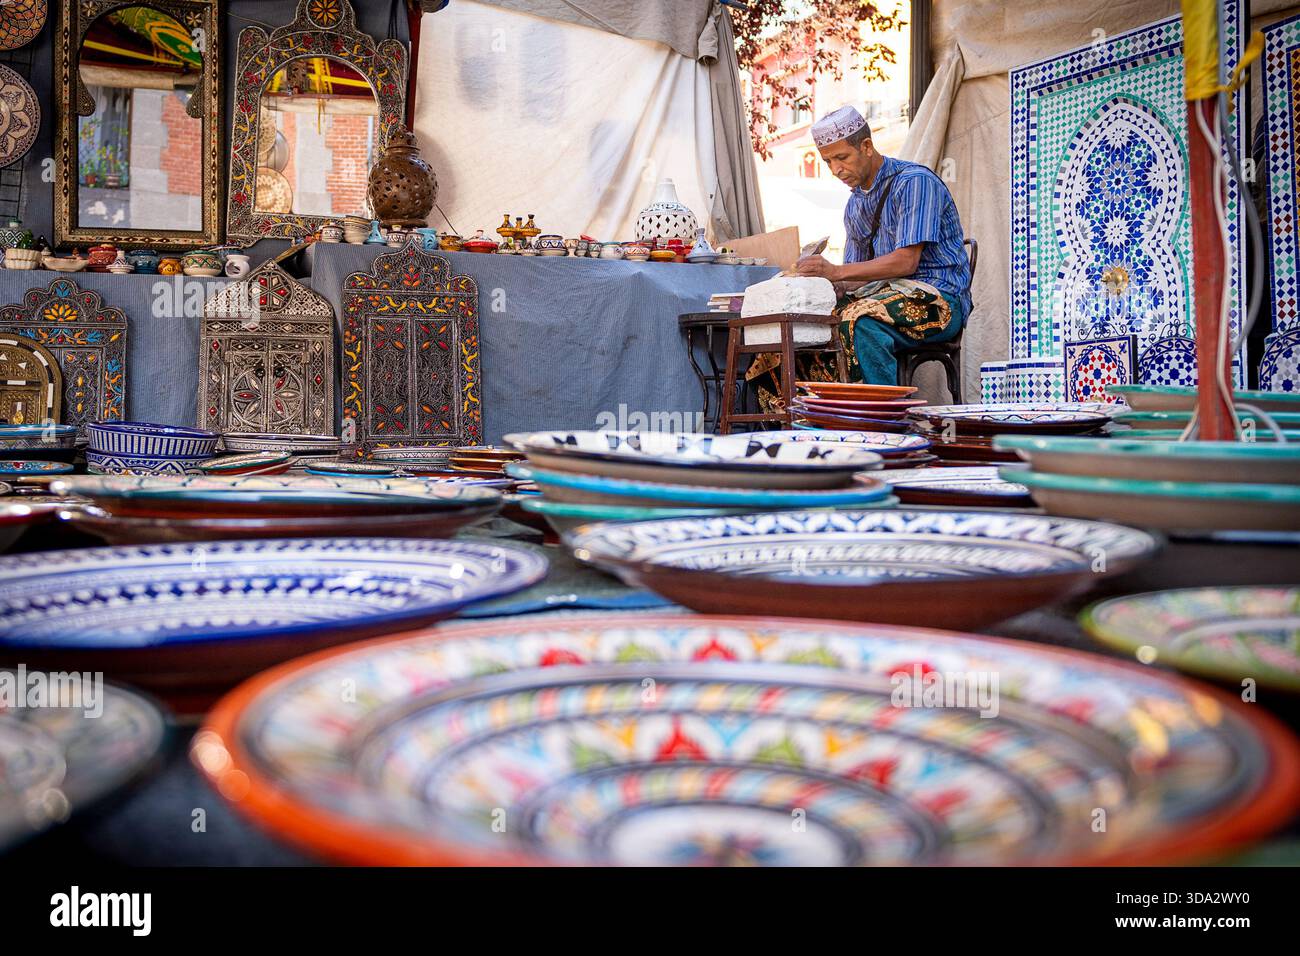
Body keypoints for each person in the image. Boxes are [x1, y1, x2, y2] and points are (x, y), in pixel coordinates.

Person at [795, 105, 972, 385]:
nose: (836, 169)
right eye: (828, 162)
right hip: (883, 295)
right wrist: (826, 283)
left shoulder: (915, 182)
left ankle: (879, 422)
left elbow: (906, 262)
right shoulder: (854, 205)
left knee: (858, 321)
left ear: (866, 146)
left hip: (939, 299)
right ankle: (822, 419)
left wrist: (838, 272)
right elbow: (856, 278)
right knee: (806, 324)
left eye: (841, 157)